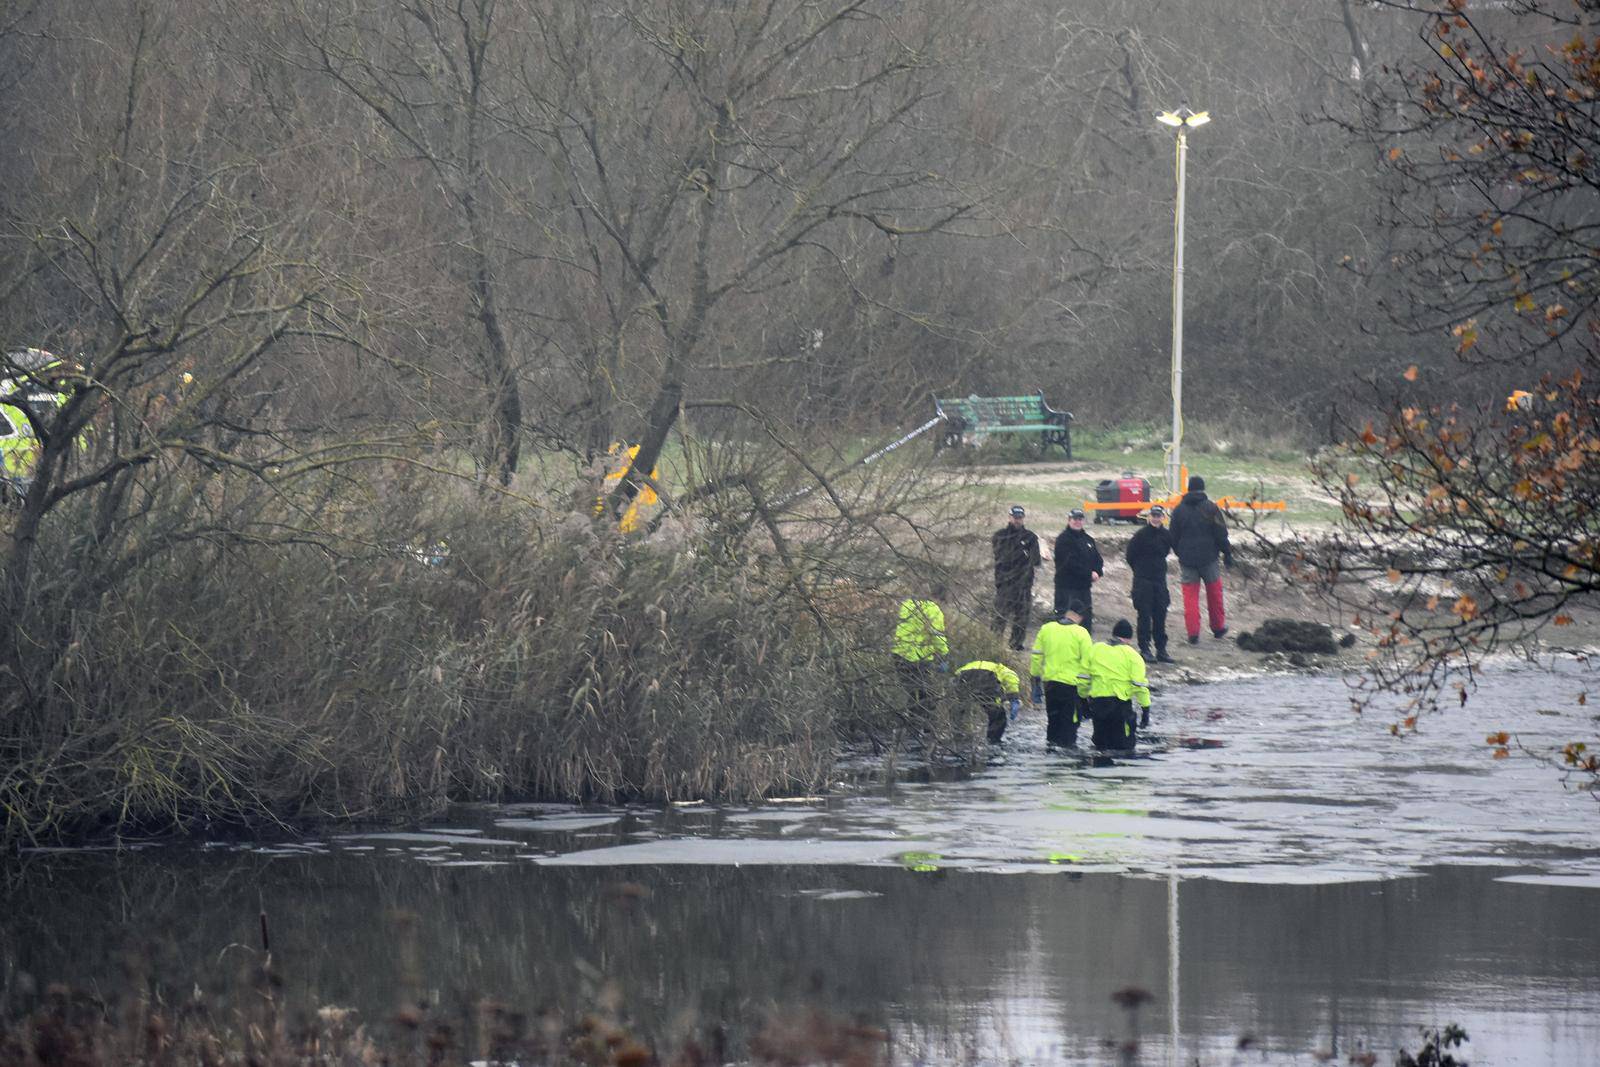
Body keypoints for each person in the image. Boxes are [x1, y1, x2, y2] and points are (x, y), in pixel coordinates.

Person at [1167, 475, 1234, 644]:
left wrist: (1180, 552)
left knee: (1190, 598)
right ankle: (1218, 628)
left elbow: (1173, 537)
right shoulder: (1211, 508)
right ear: (1203, 489)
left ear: (1188, 489)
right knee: (1214, 594)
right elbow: (1221, 534)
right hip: (1209, 558)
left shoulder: (1179, 510)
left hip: (1187, 560)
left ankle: (1193, 633)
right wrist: (1227, 553)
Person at [1029, 602, 1093, 747]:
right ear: (1080, 617)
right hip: (1071, 687)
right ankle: (1066, 762)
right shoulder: (1081, 633)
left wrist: (1035, 680)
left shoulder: (1047, 629)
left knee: (1053, 724)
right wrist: (1084, 694)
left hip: (1050, 684)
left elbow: (1036, 656)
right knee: (1069, 728)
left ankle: (1051, 754)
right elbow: (1087, 664)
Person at [1084, 619, 1151, 751]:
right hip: (1120, 707)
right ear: (1129, 639)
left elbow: (1084, 677)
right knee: (1123, 749)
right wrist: (1145, 710)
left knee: (1100, 747)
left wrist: (1083, 701)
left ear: (1113, 634)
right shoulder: (1132, 655)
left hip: (1098, 706)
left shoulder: (1095, 649)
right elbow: (1139, 686)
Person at [1125, 504, 1176, 663]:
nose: (1155, 518)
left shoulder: (1166, 535)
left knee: (1161, 615)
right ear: (1149, 517)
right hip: (1143, 581)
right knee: (1144, 615)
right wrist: (1140, 570)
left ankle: (1161, 649)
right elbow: (1130, 556)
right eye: (1153, 515)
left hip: (1160, 581)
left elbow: (1167, 551)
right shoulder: (1140, 535)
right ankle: (1145, 649)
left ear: (1162, 517)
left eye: (1158, 515)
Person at [891, 585, 949, 714]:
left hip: (899, 654)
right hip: (917, 658)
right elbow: (937, 635)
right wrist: (945, 654)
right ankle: (924, 729)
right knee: (929, 696)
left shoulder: (906, 605)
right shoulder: (933, 609)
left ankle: (908, 724)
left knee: (912, 693)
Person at [991, 504, 1042, 651]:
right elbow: (1004, 557)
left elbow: (1035, 560)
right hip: (1005, 583)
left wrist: (1022, 554)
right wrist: (1023, 553)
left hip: (1024, 584)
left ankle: (1016, 644)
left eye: (1020, 518)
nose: (1017, 520)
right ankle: (994, 643)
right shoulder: (1000, 535)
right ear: (1009, 517)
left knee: (1022, 617)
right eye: (1015, 517)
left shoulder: (1030, 537)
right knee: (1000, 615)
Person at [1053, 507, 1104, 633]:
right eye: (1075, 519)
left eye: (1080, 519)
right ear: (1069, 520)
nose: (1077, 522)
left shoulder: (1088, 540)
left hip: (1084, 589)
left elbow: (1098, 559)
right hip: (1067, 589)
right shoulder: (1063, 539)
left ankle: (1084, 649)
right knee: (1067, 623)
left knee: (1085, 622)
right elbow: (1070, 563)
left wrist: (1097, 571)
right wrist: (1089, 573)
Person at [954, 659, 1022, 743]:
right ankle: (993, 740)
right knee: (997, 714)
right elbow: (1011, 682)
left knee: (960, 708)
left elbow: (956, 675)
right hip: (988, 678)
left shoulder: (970, 665)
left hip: (964, 676)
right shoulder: (1005, 670)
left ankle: (957, 734)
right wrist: (1014, 698)